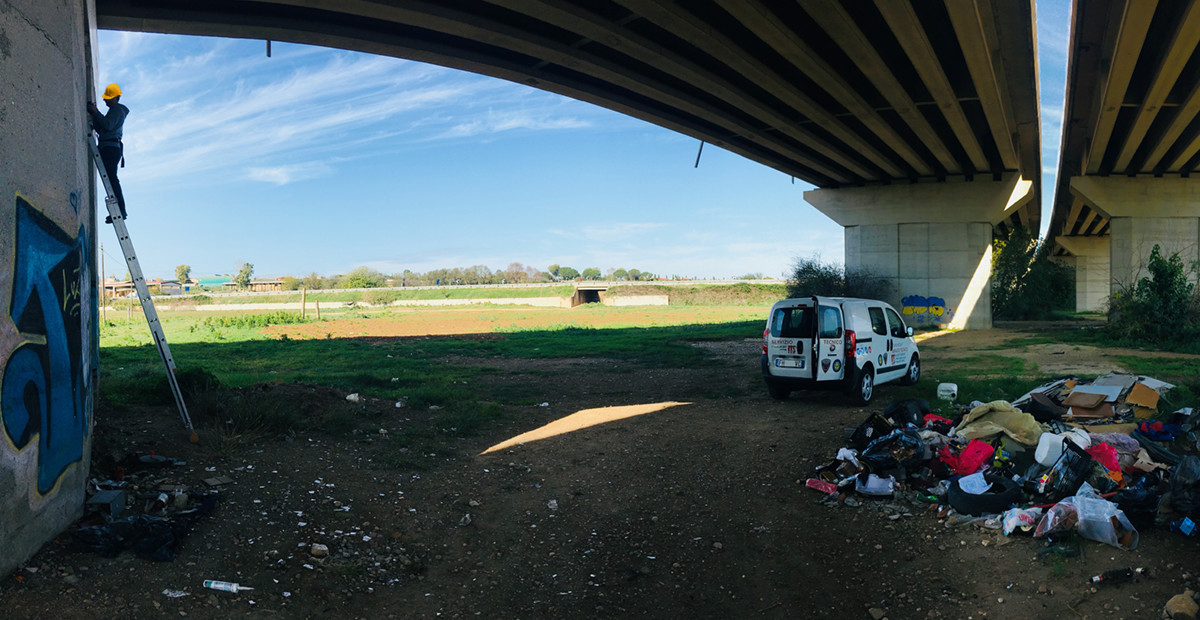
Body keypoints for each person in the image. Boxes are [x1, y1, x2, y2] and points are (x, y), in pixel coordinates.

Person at [87, 83, 129, 223]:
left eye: (108, 98)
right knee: (111, 179)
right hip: (108, 146)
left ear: (116, 97)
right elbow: (104, 129)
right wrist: (94, 116)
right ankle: (119, 210)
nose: (105, 100)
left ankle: (121, 210)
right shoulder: (114, 111)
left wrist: (95, 112)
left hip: (111, 148)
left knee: (111, 178)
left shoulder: (117, 110)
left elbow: (108, 125)